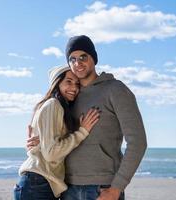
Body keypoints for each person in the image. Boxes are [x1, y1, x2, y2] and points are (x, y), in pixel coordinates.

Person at [27, 35, 147, 200]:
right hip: (67, 188)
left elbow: (138, 141)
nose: (78, 63)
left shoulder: (115, 90)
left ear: (94, 58)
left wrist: (116, 188)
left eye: (83, 57)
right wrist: (42, 142)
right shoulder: (69, 97)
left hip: (102, 188)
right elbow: (58, 138)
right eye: (72, 59)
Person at [14, 65, 100, 200]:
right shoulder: (53, 105)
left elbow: (47, 148)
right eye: (69, 82)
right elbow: (51, 154)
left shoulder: (58, 107)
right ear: (57, 83)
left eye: (77, 84)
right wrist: (82, 132)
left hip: (40, 184)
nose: (74, 88)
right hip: (37, 185)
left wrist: (42, 144)